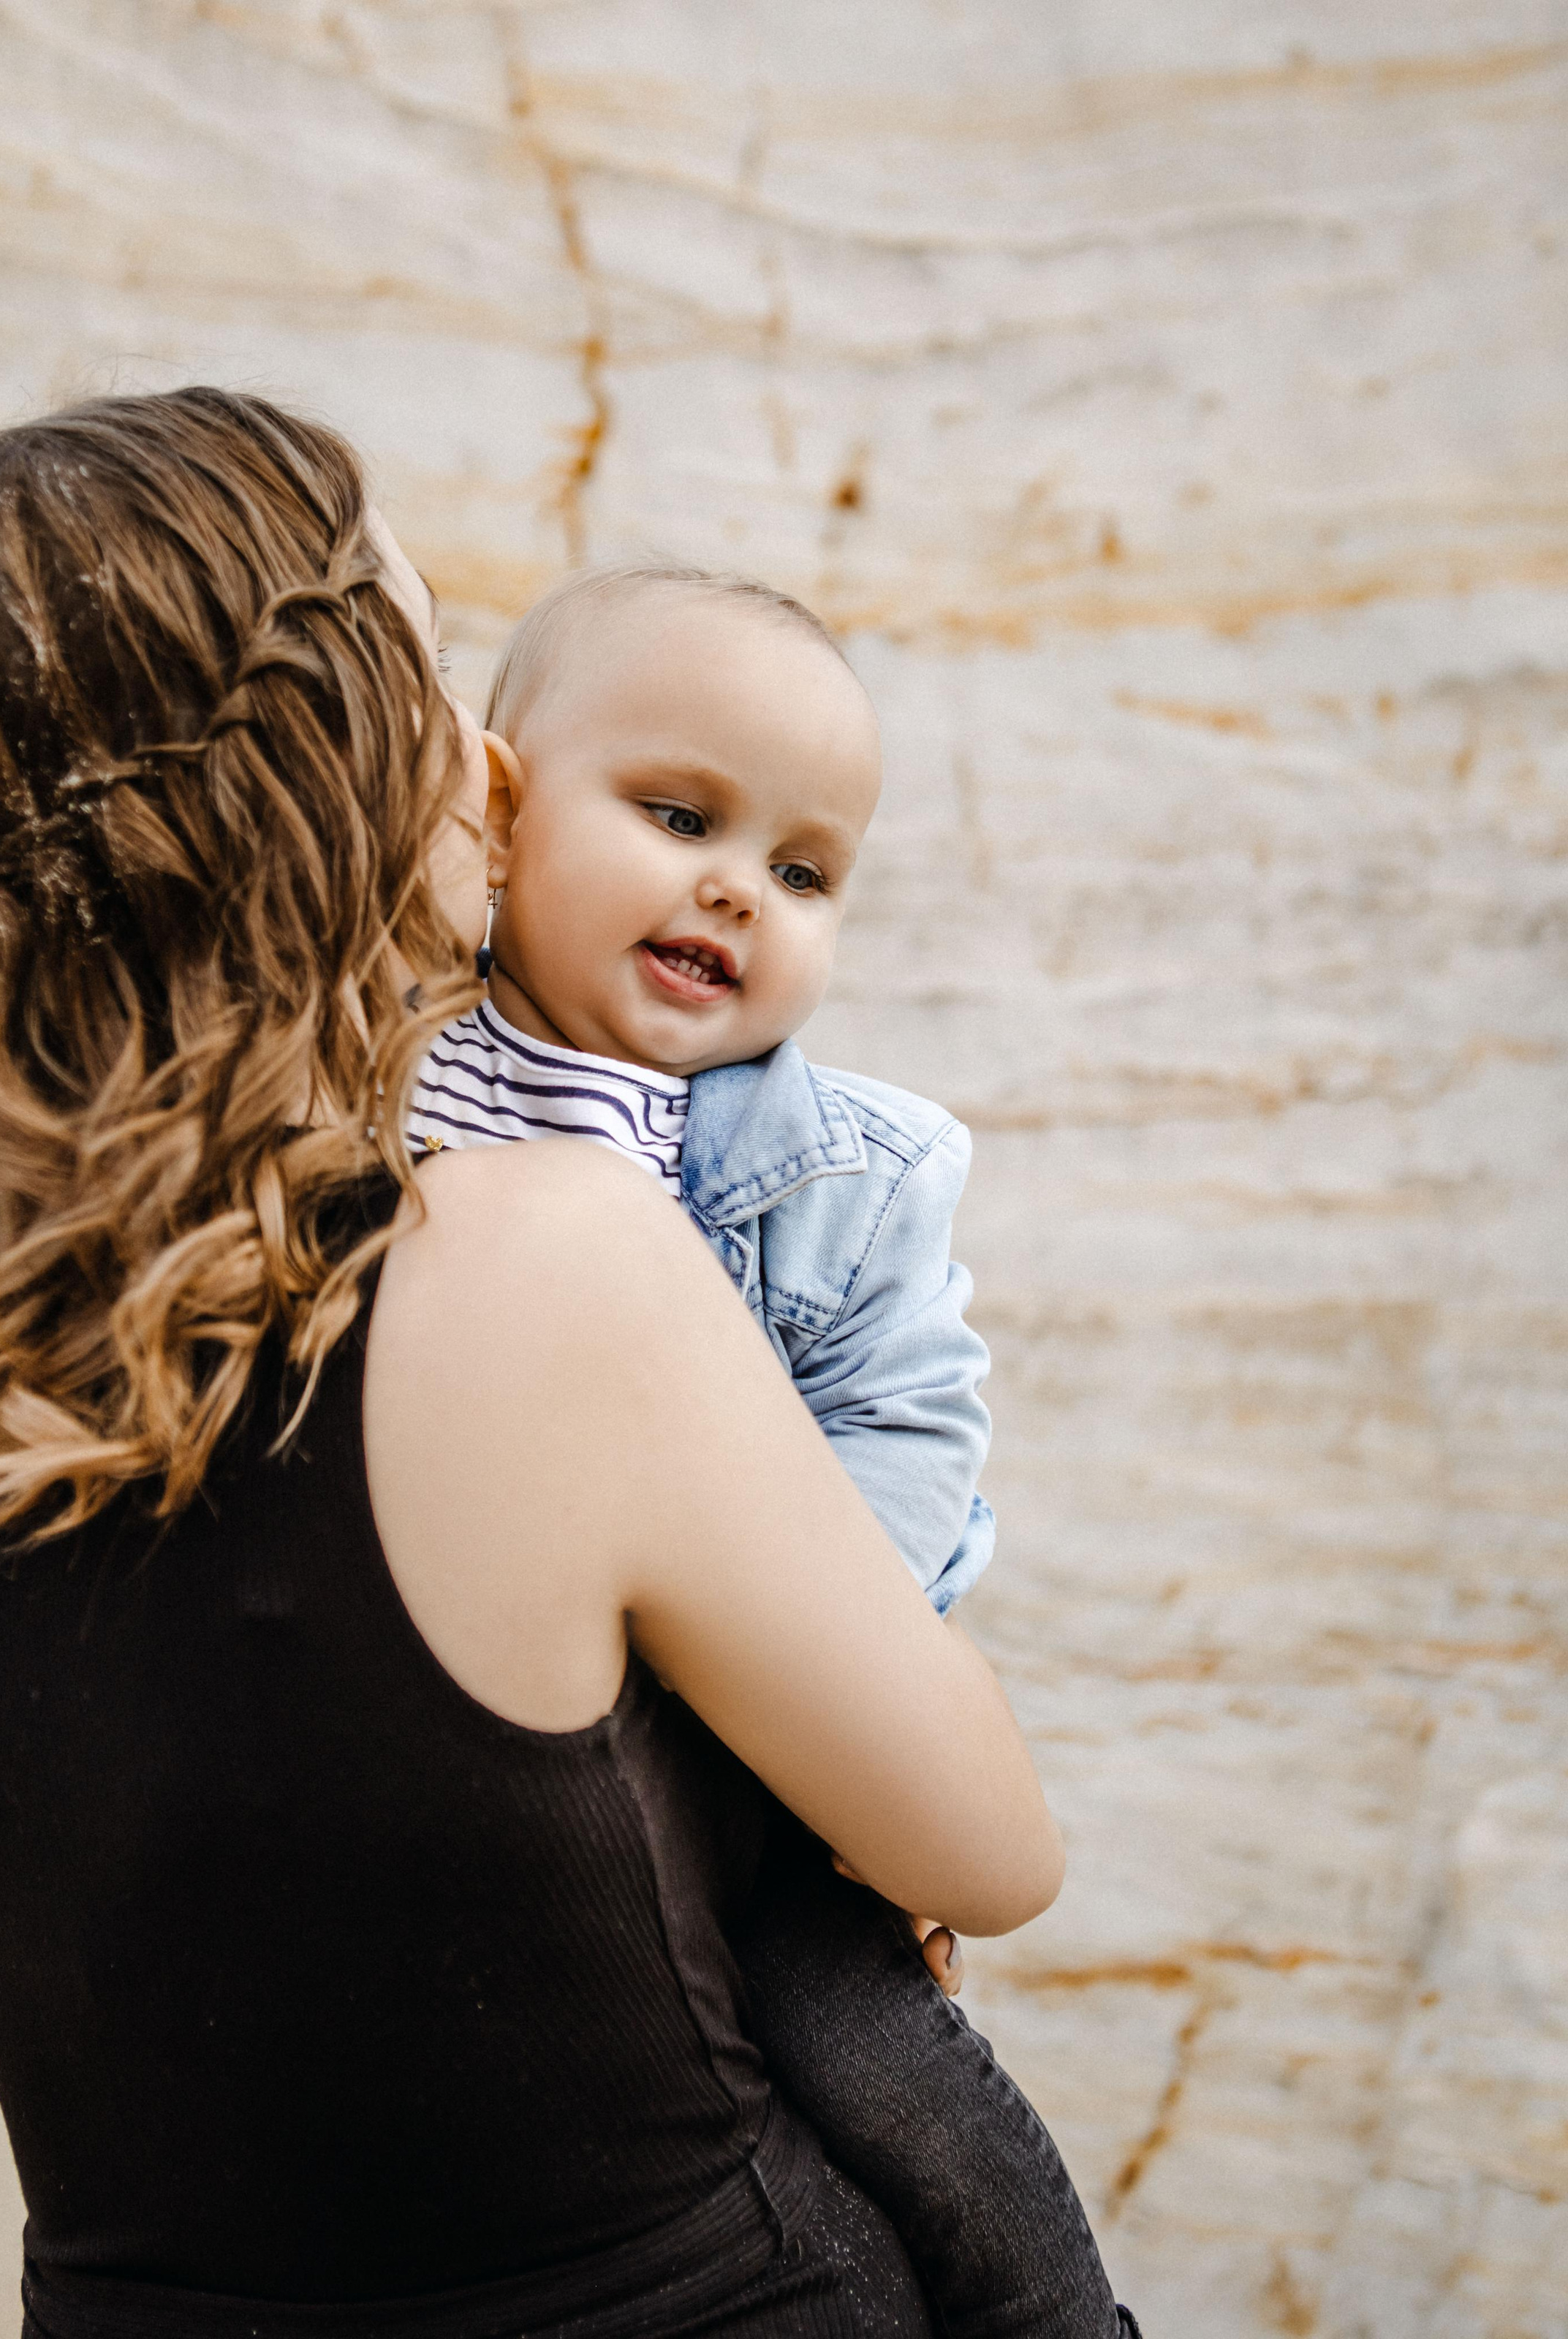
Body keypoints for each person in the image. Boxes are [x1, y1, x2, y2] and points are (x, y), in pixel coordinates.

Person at [0, 387, 1067, 2339]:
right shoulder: (544, 1263)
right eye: (423, 666)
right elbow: (990, 1850)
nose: (485, 754)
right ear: (301, 771)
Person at [404, 562, 1132, 2339]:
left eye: (806, 872)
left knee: (888, 2071)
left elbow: (908, 1422)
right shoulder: (380, 1079)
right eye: (675, 815)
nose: (739, 885)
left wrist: (823, 1679)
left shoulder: (844, 1174)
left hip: (760, 1745)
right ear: (496, 807)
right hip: (516, 1750)